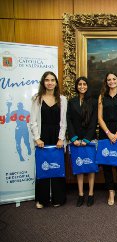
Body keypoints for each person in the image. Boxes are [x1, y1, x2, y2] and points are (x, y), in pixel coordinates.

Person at [30, 71, 67, 209]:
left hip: (57, 137)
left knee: (57, 167)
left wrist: (61, 138)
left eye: (52, 80)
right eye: (47, 80)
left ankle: (58, 198)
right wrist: (37, 138)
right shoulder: (37, 99)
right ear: (43, 82)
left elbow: (64, 122)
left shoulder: (63, 99)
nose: (50, 82)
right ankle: (42, 199)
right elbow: (32, 121)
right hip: (42, 137)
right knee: (43, 167)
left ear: (56, 83)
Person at [98, 72, 117, 206]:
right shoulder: (101, 97)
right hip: (105, 133)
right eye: (109, 79)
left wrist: (116, 133)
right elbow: (100, 118)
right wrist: (108, 133)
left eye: (114, 79)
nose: (111, 81)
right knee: (106, 164)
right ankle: (111, 191)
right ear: (106, 82)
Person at [67, 76, 98, 207]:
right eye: (79, 84)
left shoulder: (94, 101)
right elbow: (69, 121)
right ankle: (80, 194)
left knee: (90, 167)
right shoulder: (72, 101)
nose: (82, 86)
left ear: (88, 86)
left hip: (89, 139)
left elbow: (94, 121)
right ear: (76, 86)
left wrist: (86, 139)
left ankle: (90, 194)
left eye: (84, 84)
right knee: (79, 167)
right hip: (75, 140)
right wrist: (73, 138)